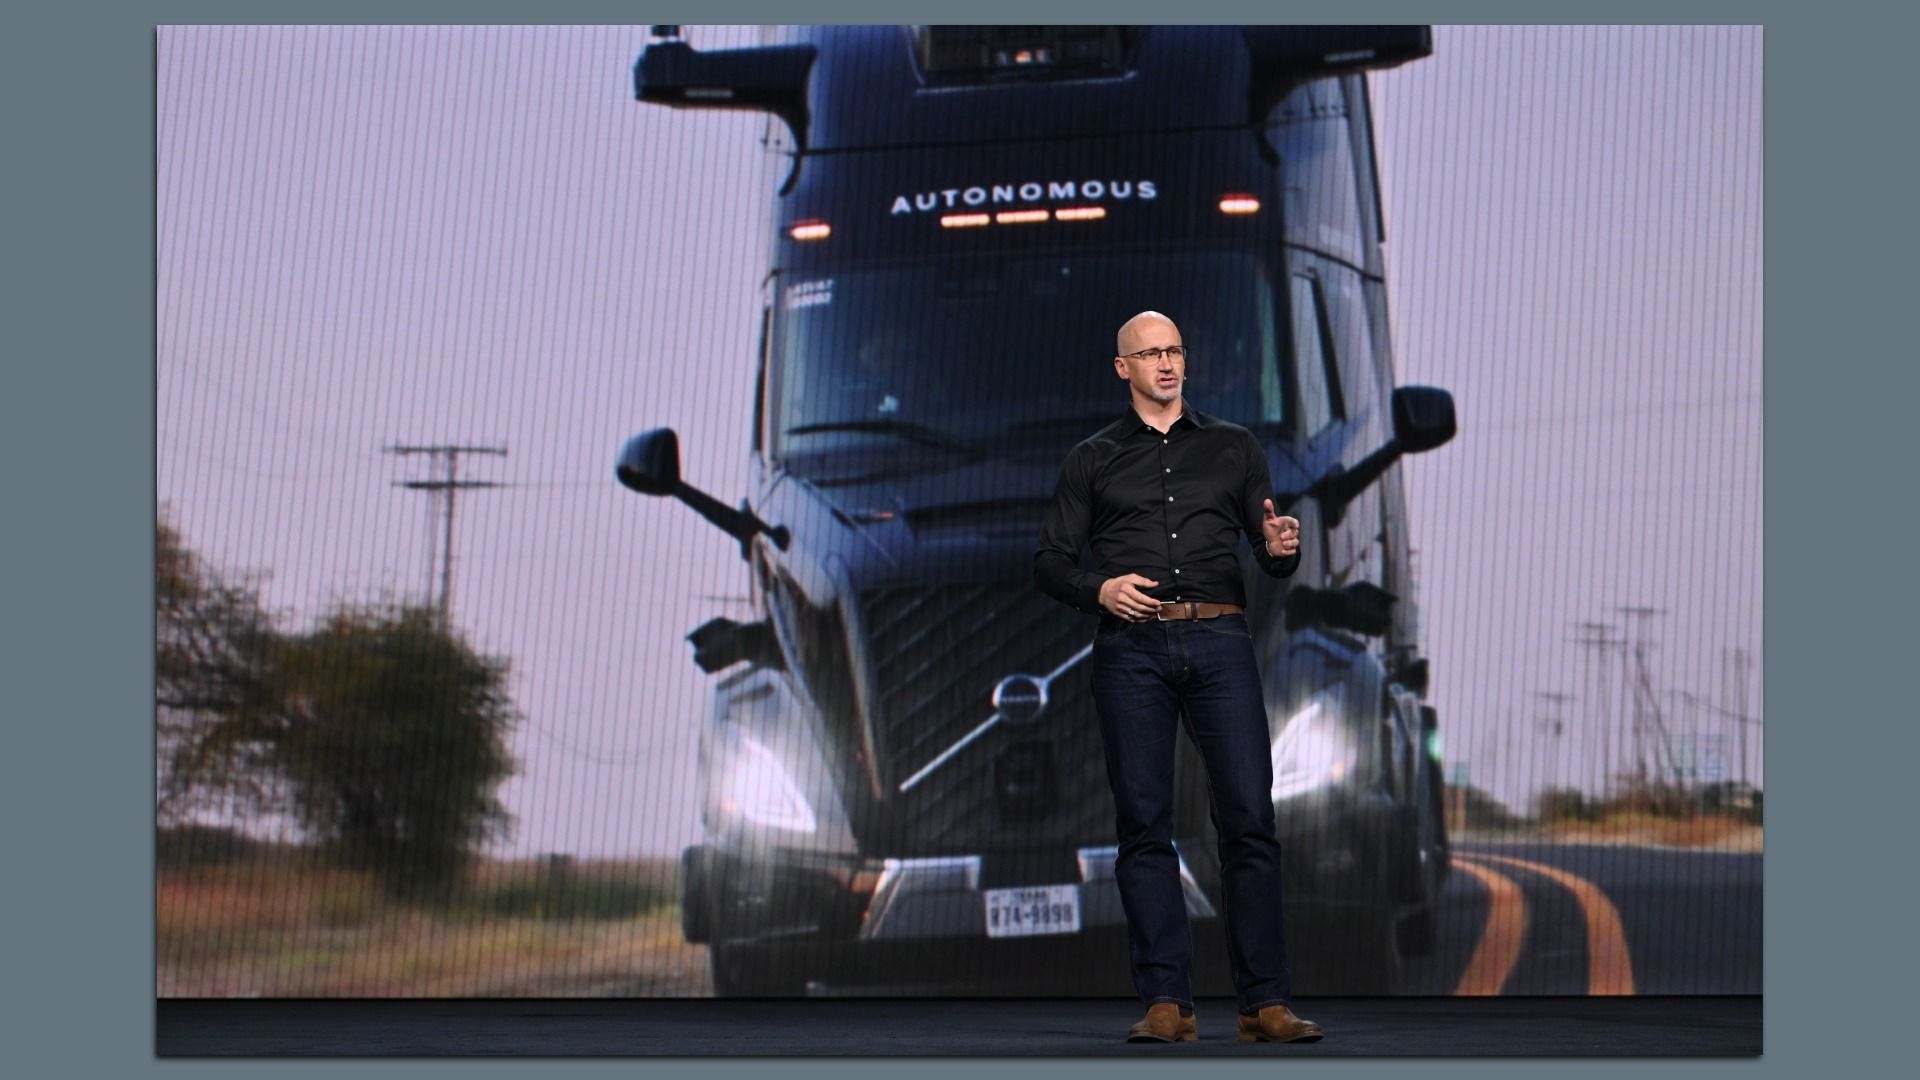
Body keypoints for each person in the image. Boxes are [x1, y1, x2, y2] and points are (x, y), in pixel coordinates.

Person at [1033, 310, 1324, 1045]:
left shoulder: (1235, 446)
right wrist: (1099, 589)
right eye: (1149, 354)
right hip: (1130, 649)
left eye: (1174, 351)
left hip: (1220, 638)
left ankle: (1266, 1003)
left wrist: (1280, 548)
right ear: (1122, 368)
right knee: (1144, 825)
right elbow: (1050, 562)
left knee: (1250, 819)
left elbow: (1271, 553)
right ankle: (1168, 1002)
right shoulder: (1091, 459)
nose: (1165, 363)